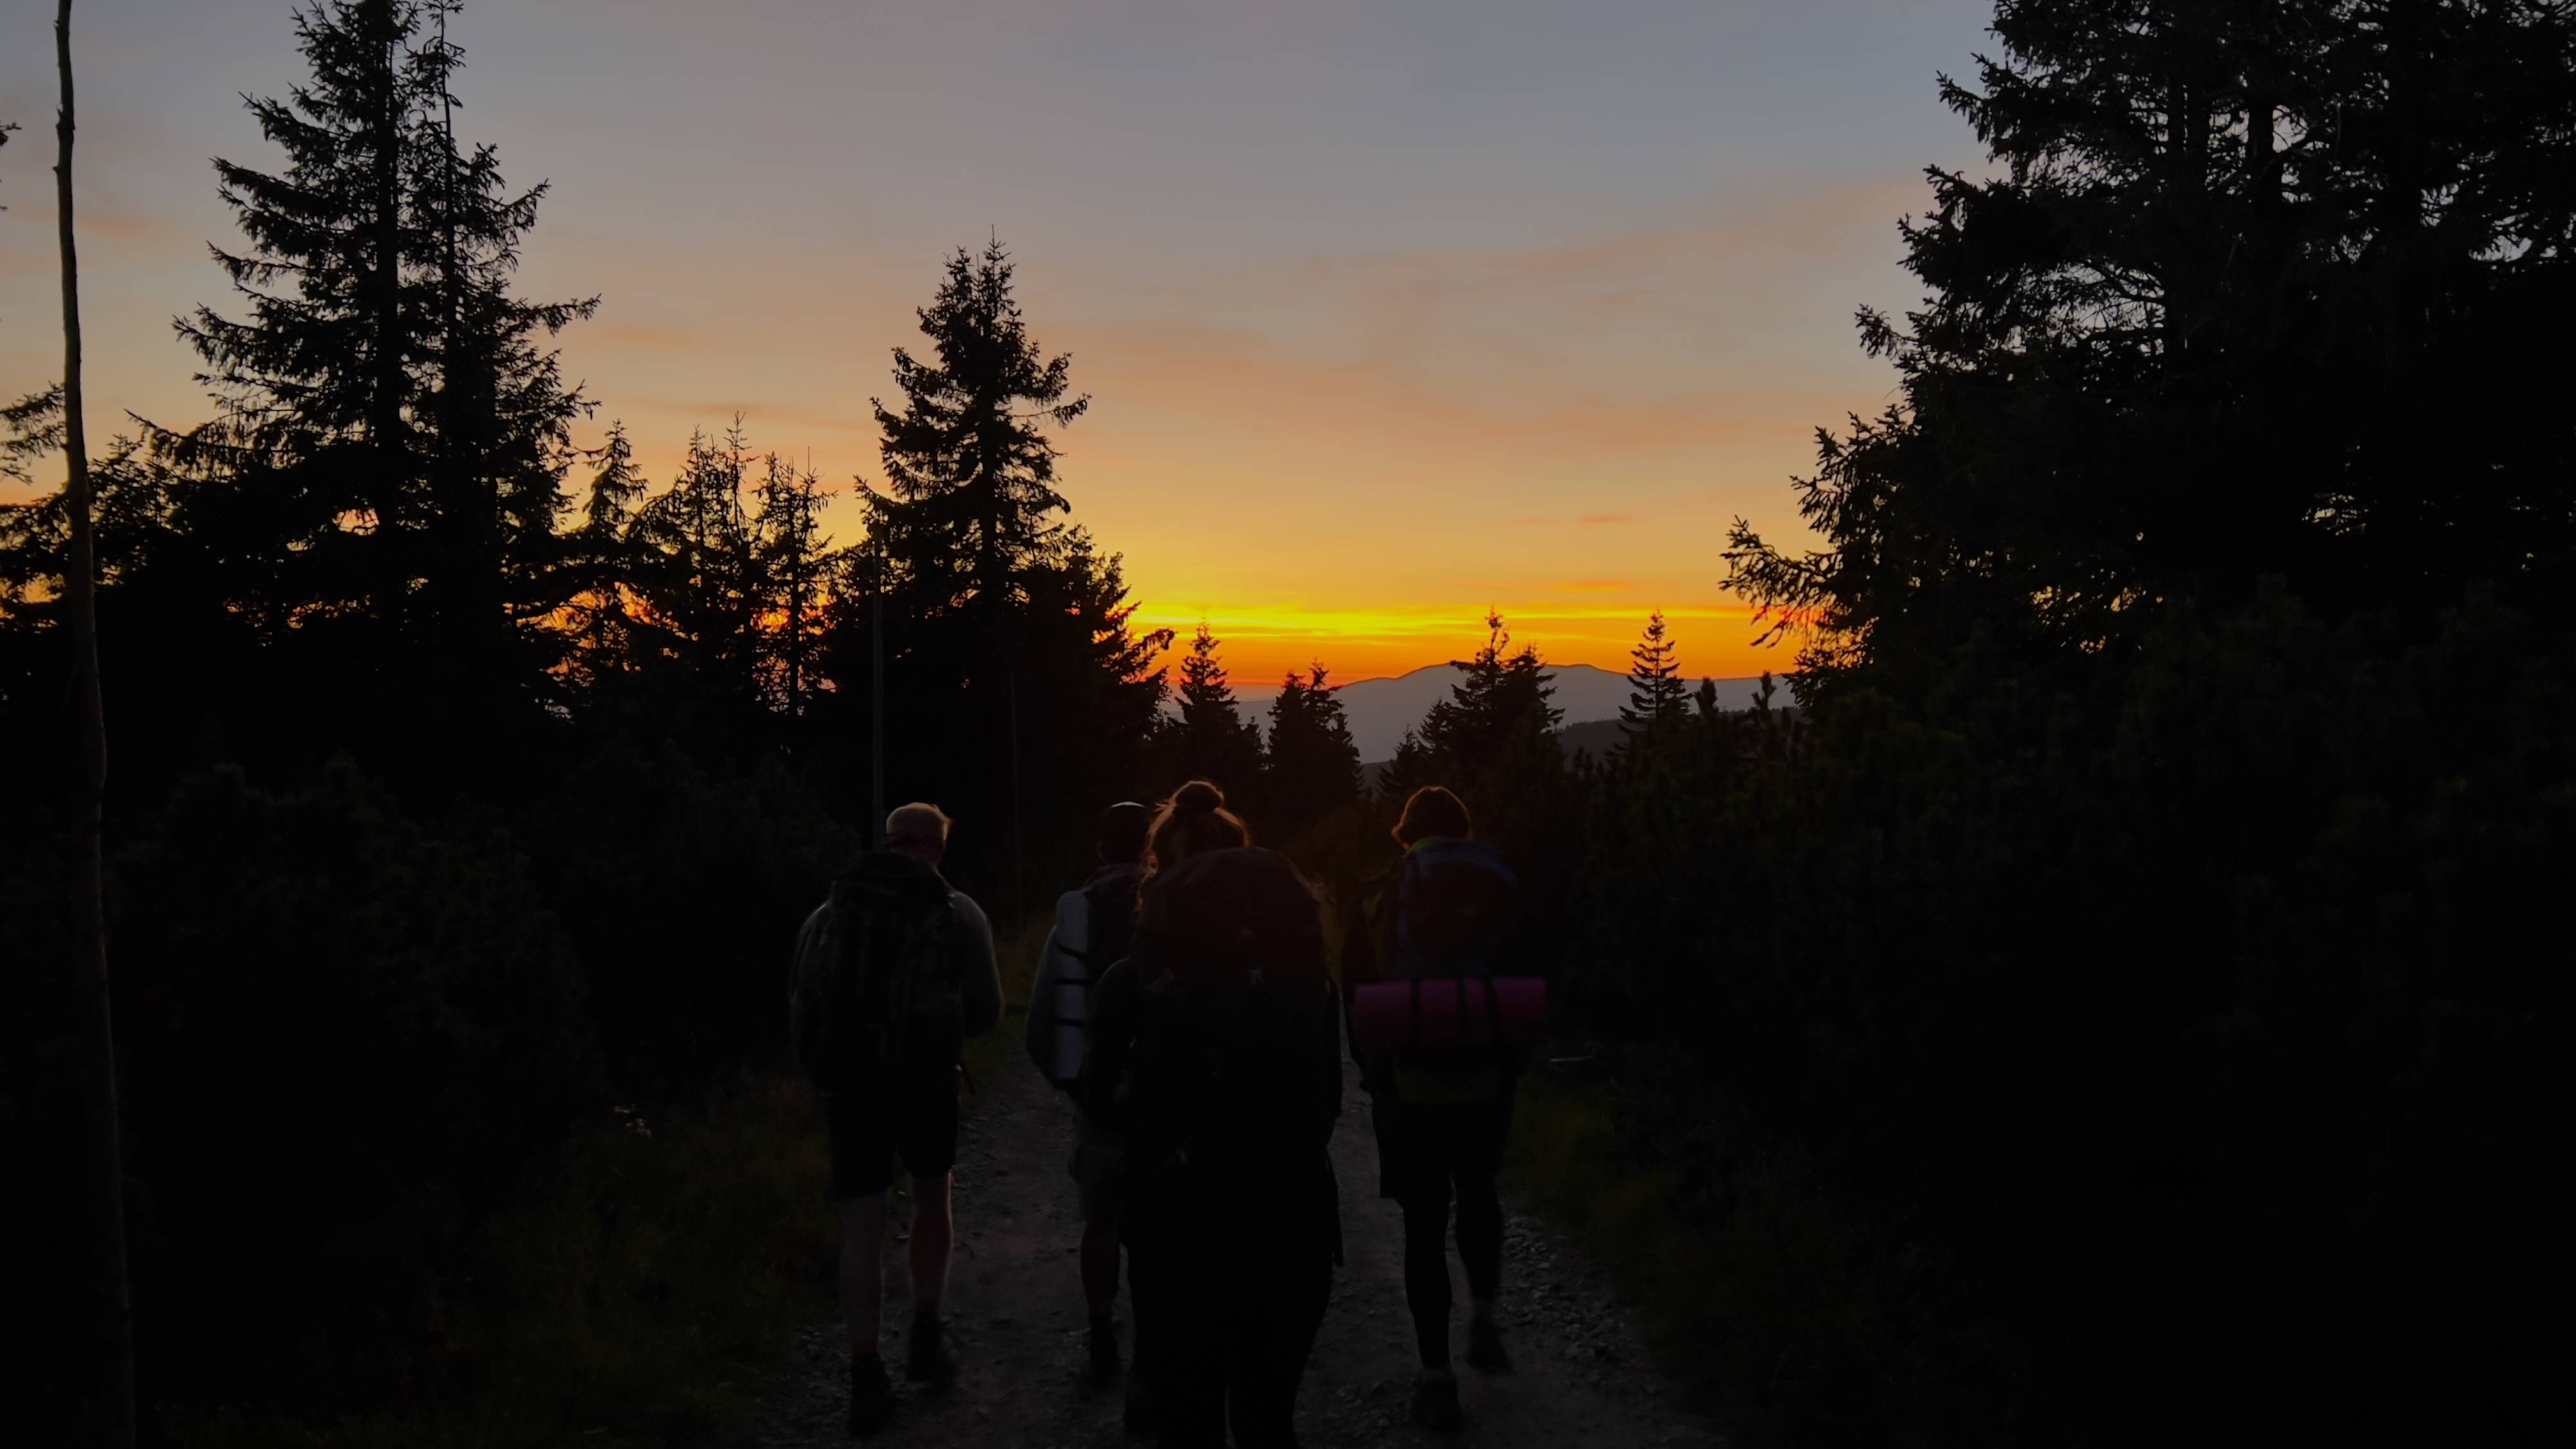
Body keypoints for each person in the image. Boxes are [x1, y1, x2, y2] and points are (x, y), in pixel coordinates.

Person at [1082, 782, 1343, 1448]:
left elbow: (1097, 1101)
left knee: (1188, 1420)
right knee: (1268, 1419)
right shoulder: (1310, 983)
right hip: (1294, 1217)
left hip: (1177, 1228)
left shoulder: (1128, 982)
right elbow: (1330, 1101)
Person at [789, 802, 1004, 1436]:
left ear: (887, 842)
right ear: (937, 849)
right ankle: (926, 1334)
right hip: (925, 1084)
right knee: (933, 1197)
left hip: (849, 1087)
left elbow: (801, 1007)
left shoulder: (828, 914)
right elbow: (988, 1011)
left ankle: (864, 1370)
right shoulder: (956, 911)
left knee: (863, 1226)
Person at [1342, 785, 1524, 1432]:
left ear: (1405, 832)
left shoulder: (1381, 886)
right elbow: (1526, 972)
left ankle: (1436, 1376)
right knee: (1479, 1192)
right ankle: (1484, 1316)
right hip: (1484, 1073)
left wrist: (1372, 1074)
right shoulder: (1501, 877)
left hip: (1410, 1082)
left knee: (1423, 1226)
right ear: (1463, 827)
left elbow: (1356, 992)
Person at [1023, 800, 1154, 1390]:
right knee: (1158, 1229)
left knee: (1101, 1222)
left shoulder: (1077, 915)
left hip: (1099, 1093)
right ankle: (1155, 1353)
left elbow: (1039, 1023)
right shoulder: (1172, 903)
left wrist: (1072, 1082)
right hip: (1168, 1090)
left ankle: (1101, 1333)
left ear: (1102, 848)